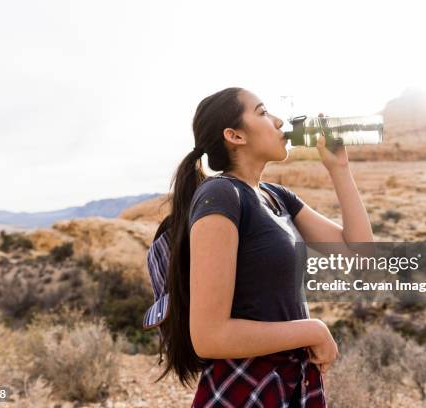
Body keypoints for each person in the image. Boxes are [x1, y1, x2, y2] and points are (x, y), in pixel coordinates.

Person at [155, 87, 374, 407]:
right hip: (246, 385)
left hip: (290, 381)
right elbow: (209, 337)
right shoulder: (220, 195)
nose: (278, 120)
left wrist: (339, 168)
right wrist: (311, 331)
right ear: (235, 136)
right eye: (262, 112)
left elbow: (361, 252)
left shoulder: (277, 196)